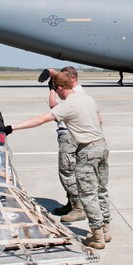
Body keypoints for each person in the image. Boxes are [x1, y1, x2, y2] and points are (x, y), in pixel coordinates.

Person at [0, 72, 112, 249]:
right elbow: (100, 120)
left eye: (55, 90)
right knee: (101, 190)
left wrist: (11, 128)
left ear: (60, 88)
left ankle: (97, 237)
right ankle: (106, 229)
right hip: (102, 146)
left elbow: (41, 119)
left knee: (87, 194)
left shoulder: (68, 106)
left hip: (87, 151)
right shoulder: (87, 99)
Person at [40, 66, 85, 222]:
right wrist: (52, 75)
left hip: (68, 135)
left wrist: (52, 87)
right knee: (70, 170)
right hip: (68, 134)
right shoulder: (73, 90)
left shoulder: (75, 92)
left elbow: (53, 106)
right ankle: (71, 203)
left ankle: (79, 207)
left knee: (67, 171)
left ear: (72, 78)